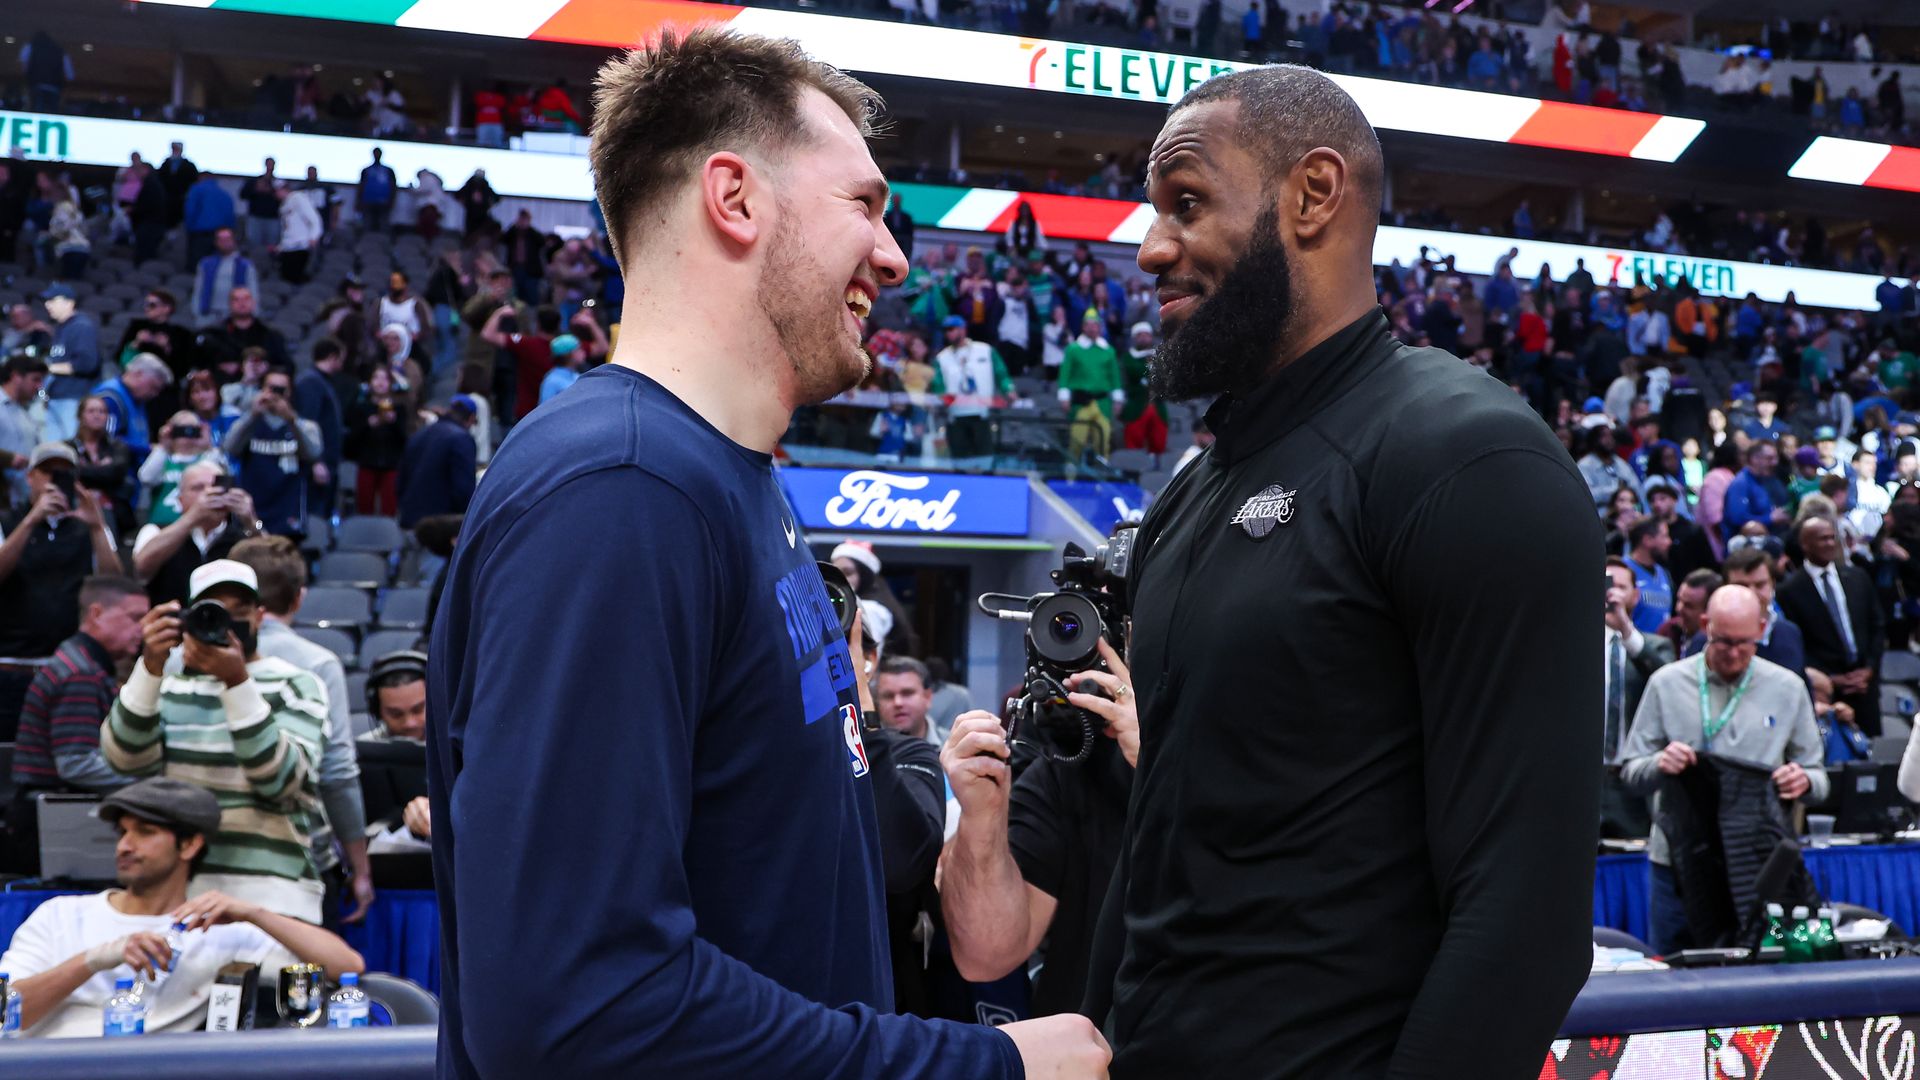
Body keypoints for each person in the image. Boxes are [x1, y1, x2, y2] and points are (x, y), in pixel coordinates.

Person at [427, 28, 1104, 1078]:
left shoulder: (726, 482)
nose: (893, 255)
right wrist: (989, 1069)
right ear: (734, 199)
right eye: (865, 206)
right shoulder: (623, 492)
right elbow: (579, 1008)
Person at [1088, 64, 1595, 1076]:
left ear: (1314, 195)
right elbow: (1161, 850)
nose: (1150, 249)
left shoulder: (1469, 459)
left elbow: (1525, 918)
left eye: (1186, 203)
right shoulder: (1192, 495)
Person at [0, 777, 363, 1036]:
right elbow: (6, 1014)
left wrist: (256, 914)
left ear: (189, 846)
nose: (124, 845)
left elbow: (346, 967)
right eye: (122, 832)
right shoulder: (60, 914)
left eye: (144, 832)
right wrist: (98, 958)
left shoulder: (220, 933)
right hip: (43, 1066)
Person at [102, 560, 330, 922]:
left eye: (237, 612)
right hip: (179, 897)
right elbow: (123, 759)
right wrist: (149, 667)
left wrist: (236, 683)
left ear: (259, 615)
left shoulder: (296, 685)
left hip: (273, 897)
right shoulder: (168, 686)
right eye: (212, 613)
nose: (224, 625)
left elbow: (280, 781)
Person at [1619, 585, 1827, 955]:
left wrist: (1803, 780)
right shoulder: (1667, 683)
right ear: (1704, 626)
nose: (1733, 654)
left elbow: (1819, 779)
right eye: (1723, 641)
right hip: (1678, 864)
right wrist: (1658, 764)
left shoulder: (1787, 688)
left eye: (1744, 643)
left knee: (1758, 981)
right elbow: (1631, 773)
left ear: (1762, 630)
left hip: (1756, 867)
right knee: (1670, 978)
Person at [941, 636, 1133, 1016]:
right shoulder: (1069, 770)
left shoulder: (1248, 757)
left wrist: (1159, 763)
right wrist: (981, 815)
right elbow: (986, 955)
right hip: (1088, 1052)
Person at [231, 536, 375, 925]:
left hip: (205, 868)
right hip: (298, 869)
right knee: (297, 986)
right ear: (299, 598)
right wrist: (360, 868)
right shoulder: (318, 665)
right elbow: (337, 773)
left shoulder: (178, 660)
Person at [4, 575, 146, 872]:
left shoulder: (79, 661)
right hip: (49, 824)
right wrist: (148, 781)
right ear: (96, 614)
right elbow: (76, 764)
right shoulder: (81, 673)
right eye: (135, 618)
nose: (142, 629)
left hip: (46, 817)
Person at [0, 444, 121, 740]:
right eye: (48, 471)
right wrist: (32, 520)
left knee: (73, 751)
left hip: (72, 668)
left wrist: (97, 527)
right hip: (13, 666)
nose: (55, 479)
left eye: (64, 473)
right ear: (31, 477)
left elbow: (114, 585)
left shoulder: (88, 525)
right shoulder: (8, 520)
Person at [1778, 516, 1885, 736]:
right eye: (1822, 539)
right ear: (1805, 544)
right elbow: (1796, 643)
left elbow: (1877, 625)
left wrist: (1869, 669)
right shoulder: (1790, 590)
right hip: (1825, 692)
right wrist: (1828, 678)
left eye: (1832, 538)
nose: (1829, 543)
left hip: (1865, 686)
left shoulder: (1857, 577)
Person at [1601, 557, 1674, 839]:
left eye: (1620, 586)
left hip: (1632, 782)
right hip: (1584, 779)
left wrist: (1625, 630)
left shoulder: (1655, 645)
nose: (1612, 593)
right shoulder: (1576, 644)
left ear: (1635, 594)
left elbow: (1668, 686)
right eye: (1606, 584)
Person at [224, 367, 320, 538]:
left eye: (281, 389)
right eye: (271, 388)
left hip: (288, 512)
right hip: (255, 512)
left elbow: (312, 454)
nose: (275, 394)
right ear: (261, 389)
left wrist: (291, 420)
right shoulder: (249, 423)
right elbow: (230, 447)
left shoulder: (305, 426)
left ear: (290, 393)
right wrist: (253, 414)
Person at [930, 315, 1012, 461]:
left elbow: (1001, 374)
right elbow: (938, 385)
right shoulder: (942, 358)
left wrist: (1009, 389)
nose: (948, 333)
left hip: (981, 414)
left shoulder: (985, 350)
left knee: (985, 459)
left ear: (963, 329)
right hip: (956, 417)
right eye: (946, 330)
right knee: (959, 461)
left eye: (952, 329)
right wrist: (941, 397)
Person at [397, 397, 477, 529]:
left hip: (409, 521)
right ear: (471, 418)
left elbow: (400, 482)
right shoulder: (461, 439)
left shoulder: (418, 435)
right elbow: (463, 490)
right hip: (441, 527)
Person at [68, 394, 137, 539]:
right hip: (76, 508)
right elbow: (68, 474)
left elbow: (115, 473)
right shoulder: (68, 447)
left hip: (113, 510)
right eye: (91, 411)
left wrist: (81, 470)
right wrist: (100, 469)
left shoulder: (118, 446)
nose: (97, 416)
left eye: (102, 411)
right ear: (81, 416)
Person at [40, 284, 100, 443]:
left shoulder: (81, 326)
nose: (47, 304)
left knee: (70, 449)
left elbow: (87, 363)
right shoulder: (61, 327)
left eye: (53, 300)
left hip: (73, 399)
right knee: (54, 452)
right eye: (47, 300)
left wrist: (48, 368)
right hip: (57, 397)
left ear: (69, 303)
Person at [345, 364, 408, 515]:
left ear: (391, 384)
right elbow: (350, 442)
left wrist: (393, 423)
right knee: (364, 507)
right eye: (376, 377)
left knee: (389, 509)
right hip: (367, 463)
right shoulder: (361, 408)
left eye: (385, 378)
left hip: (391, 465)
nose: (380, 382)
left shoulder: (400, 410)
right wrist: (368, 425)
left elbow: (405, 440)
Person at [294, 339, 346, 521]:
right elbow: (307, 424)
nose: (342, 364)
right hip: (316, 465)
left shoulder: (320, 382)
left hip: (325, 462)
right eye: (341, 359)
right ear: (332, 357)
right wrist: (316, 461)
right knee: (314, 517)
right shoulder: (311, 383)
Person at [92, 353, 173, 468]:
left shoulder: (138, 399)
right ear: (138, 374)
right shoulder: (110, 397)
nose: (154, 394)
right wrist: (147, 449)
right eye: (153, 387)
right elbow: (106, 439)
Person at [1, 351, 48, 507]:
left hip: (21, 501)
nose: (39, 386)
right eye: (35, 379)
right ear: (16, 377)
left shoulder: (26, 414)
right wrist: (8, 458)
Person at [188, 229, 259, 329]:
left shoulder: (246, 265)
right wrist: (196, 312)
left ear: (234, 241)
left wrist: (253, 314)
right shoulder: (205, 264)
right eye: (220, 239)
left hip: (234, 316)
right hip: (208, 315)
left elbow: (253, 291)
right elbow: (198, 289)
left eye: (227, 239)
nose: (224, 242)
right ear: (216, 242)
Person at [874, 655, 942, 746]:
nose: (898, 703)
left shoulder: (954, 747)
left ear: (927, 697)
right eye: (888, 696)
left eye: (907, 693)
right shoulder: (864, 751)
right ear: (877, 703)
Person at [1578, 423, 1640, 515]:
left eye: (1611, 436)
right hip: (1599, 517)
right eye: (1604, 436)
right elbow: (1586, 496)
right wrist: (1614, 491)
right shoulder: (1584, 465)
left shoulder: (1621, 463)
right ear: (1594, 440)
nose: (1609, 440)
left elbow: (1636, 488)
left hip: (1627, 514)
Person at [1624, 516, 1673, 633]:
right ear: (1647, 540)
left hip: (1660, 648)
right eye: (1664, 536)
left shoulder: (1664, 574)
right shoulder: (1620, 570)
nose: (1669, 542)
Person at [275, 186, 323, 285]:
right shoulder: (283, 205)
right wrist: (281, 246)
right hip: (288, 247)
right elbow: (287, 228)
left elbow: (315, 219)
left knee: (295, 280)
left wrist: (314, 236)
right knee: (285, 279)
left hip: (300, 246)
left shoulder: (299, 198)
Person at [357, 148, 397, 234]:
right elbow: (361, 185)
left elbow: (393, 186)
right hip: (368, 201)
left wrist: (392, 200)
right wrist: (358, 201)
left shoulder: (389, 170)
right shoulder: (366, 170)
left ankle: (382, 243)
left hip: (384, 201)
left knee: (383, 225)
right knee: (367, 224)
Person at [538, 333, 586, 404]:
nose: (583, 352)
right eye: (578, 349)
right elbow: (543, 411)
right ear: (570, 354)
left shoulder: (577, 376)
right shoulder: (551, 381)